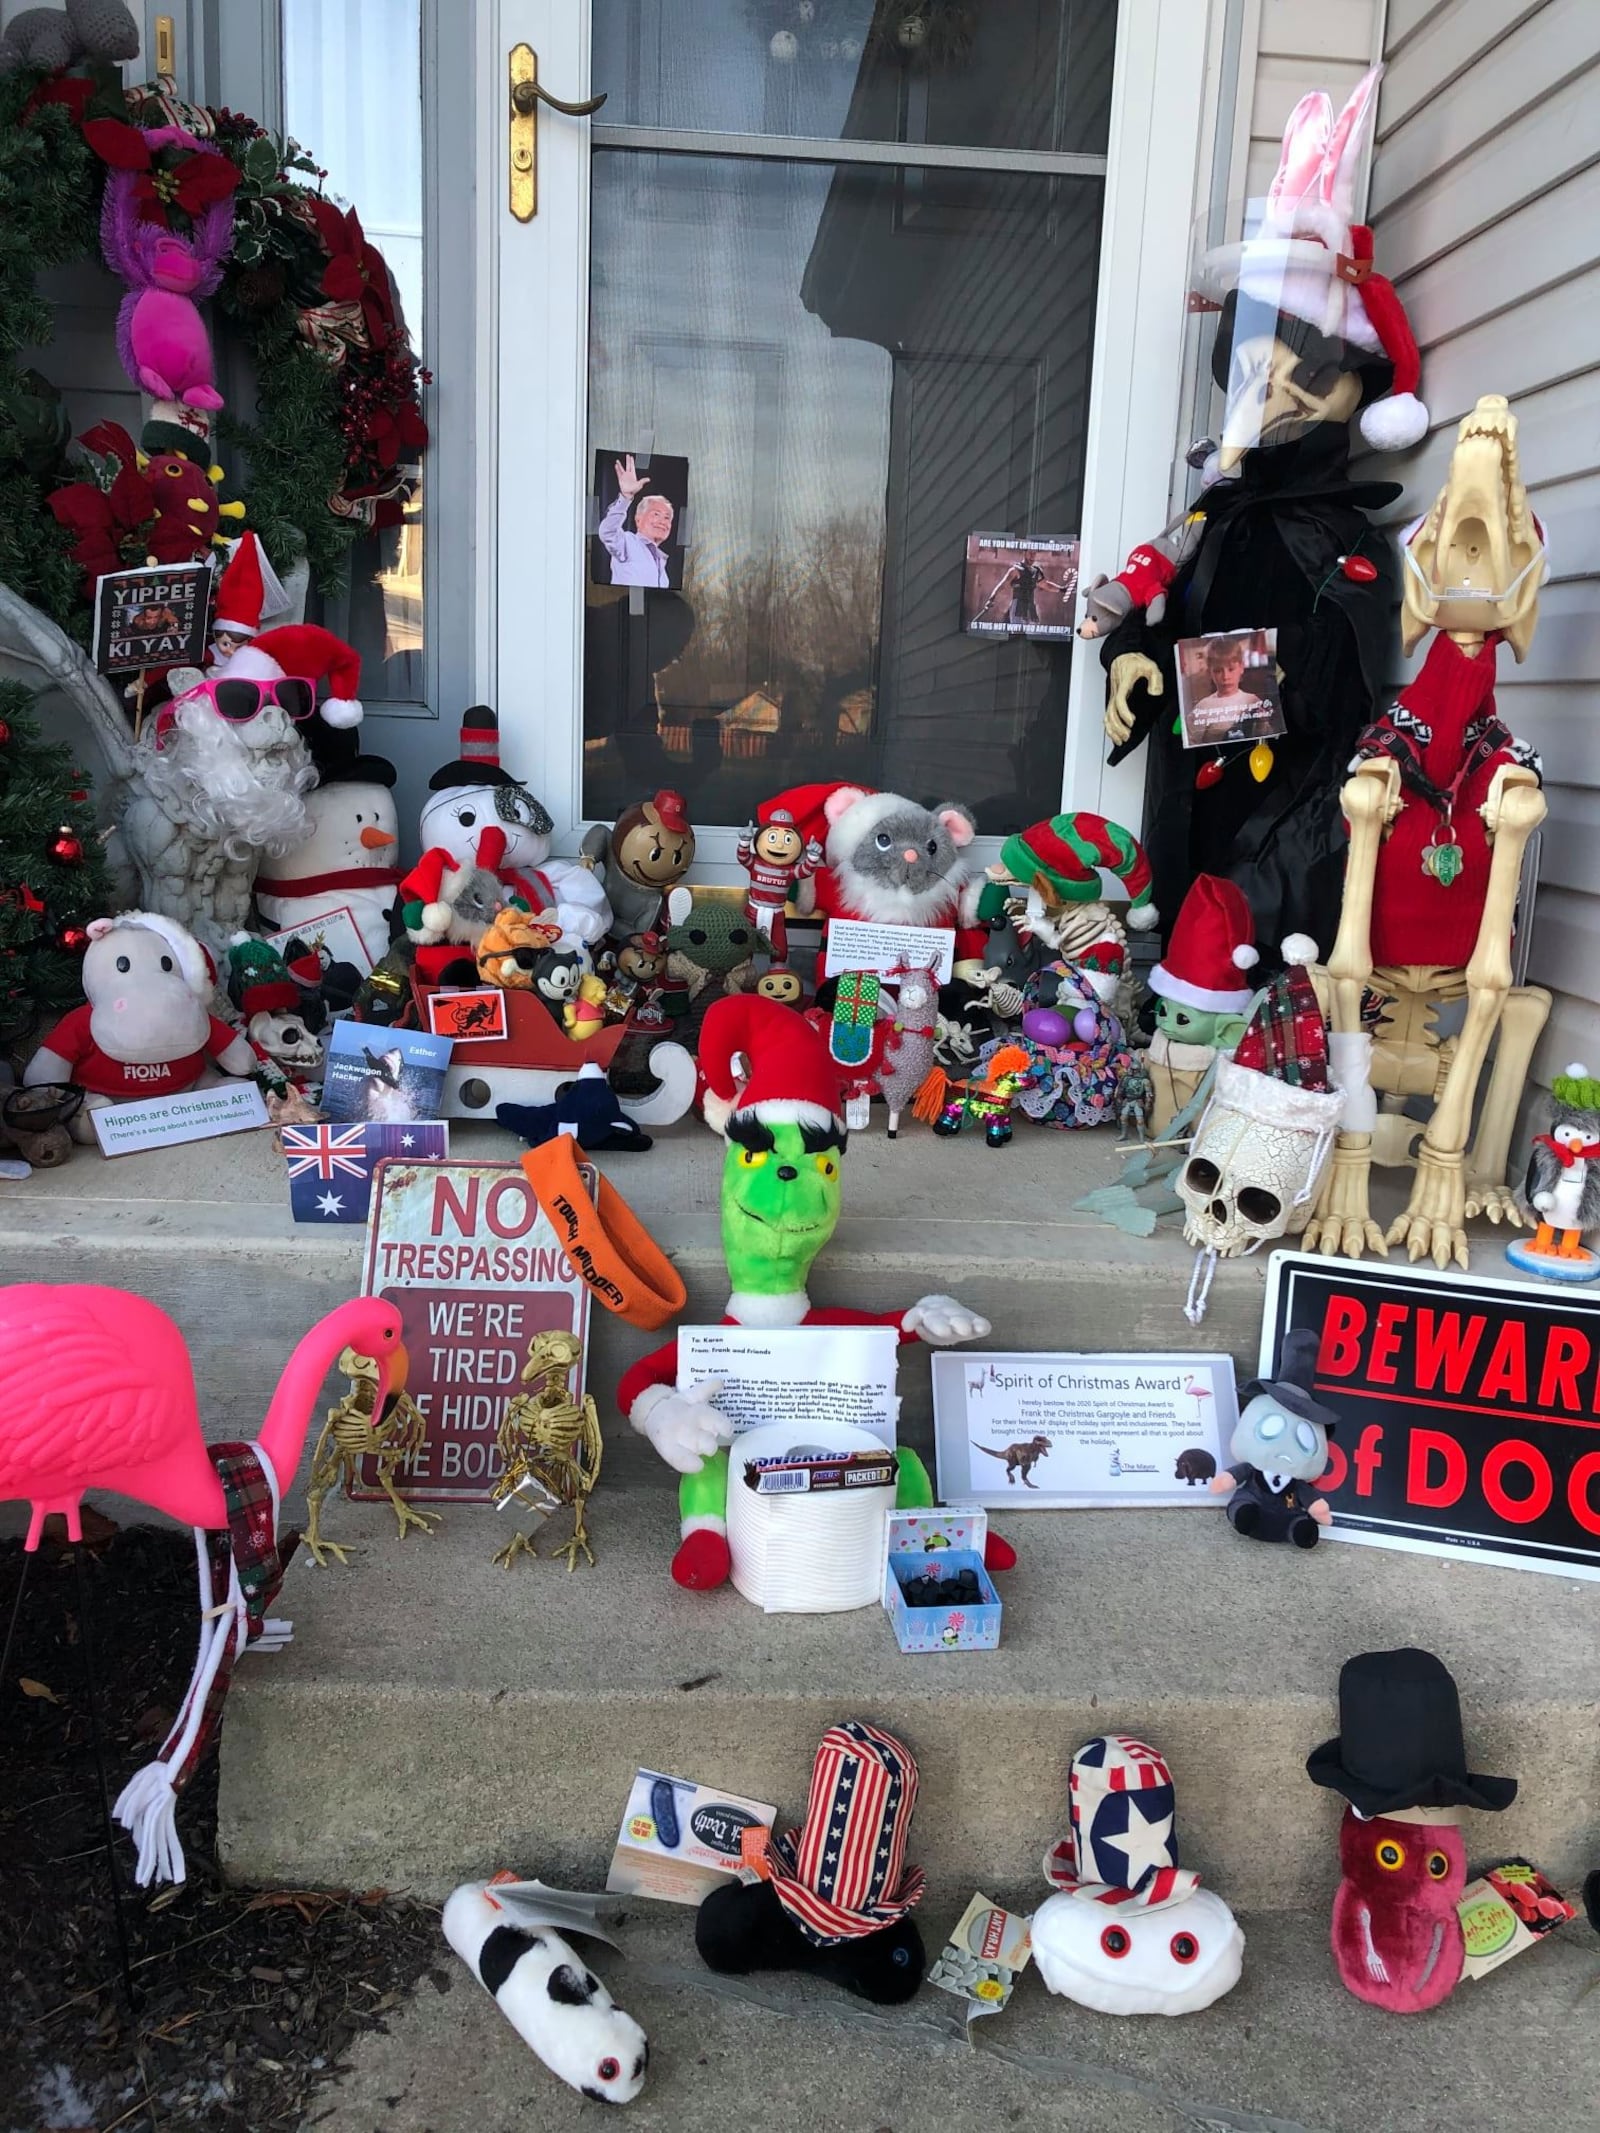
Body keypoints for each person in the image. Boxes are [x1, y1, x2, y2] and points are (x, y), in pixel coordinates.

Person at [598, 453, 676, 588]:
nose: (662, 521)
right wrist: (625, 497)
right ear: (638, 520)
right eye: (656, 514)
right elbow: (608, 532)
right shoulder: (627, 543)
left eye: (667, 517)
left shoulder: (662, 566)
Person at [1185, 638, 1274, 741]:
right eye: (1218, 671)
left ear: (1241, 667)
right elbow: (1191, 741)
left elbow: (1265, 737)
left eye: (1231, 669)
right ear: (1210, 672)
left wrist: (1262, 722)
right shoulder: (1203, 707)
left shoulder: (1253, 701)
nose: (1225, 677)